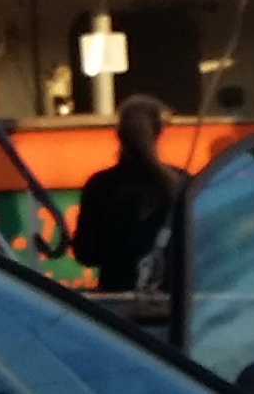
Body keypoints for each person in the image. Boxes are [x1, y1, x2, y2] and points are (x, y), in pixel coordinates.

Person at [73, 94, 179, 290]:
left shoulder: (100, 185)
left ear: (118, 134)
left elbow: (85, 253)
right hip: (172, 300)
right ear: (159, 133)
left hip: (117, 298)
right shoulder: (181, 183)